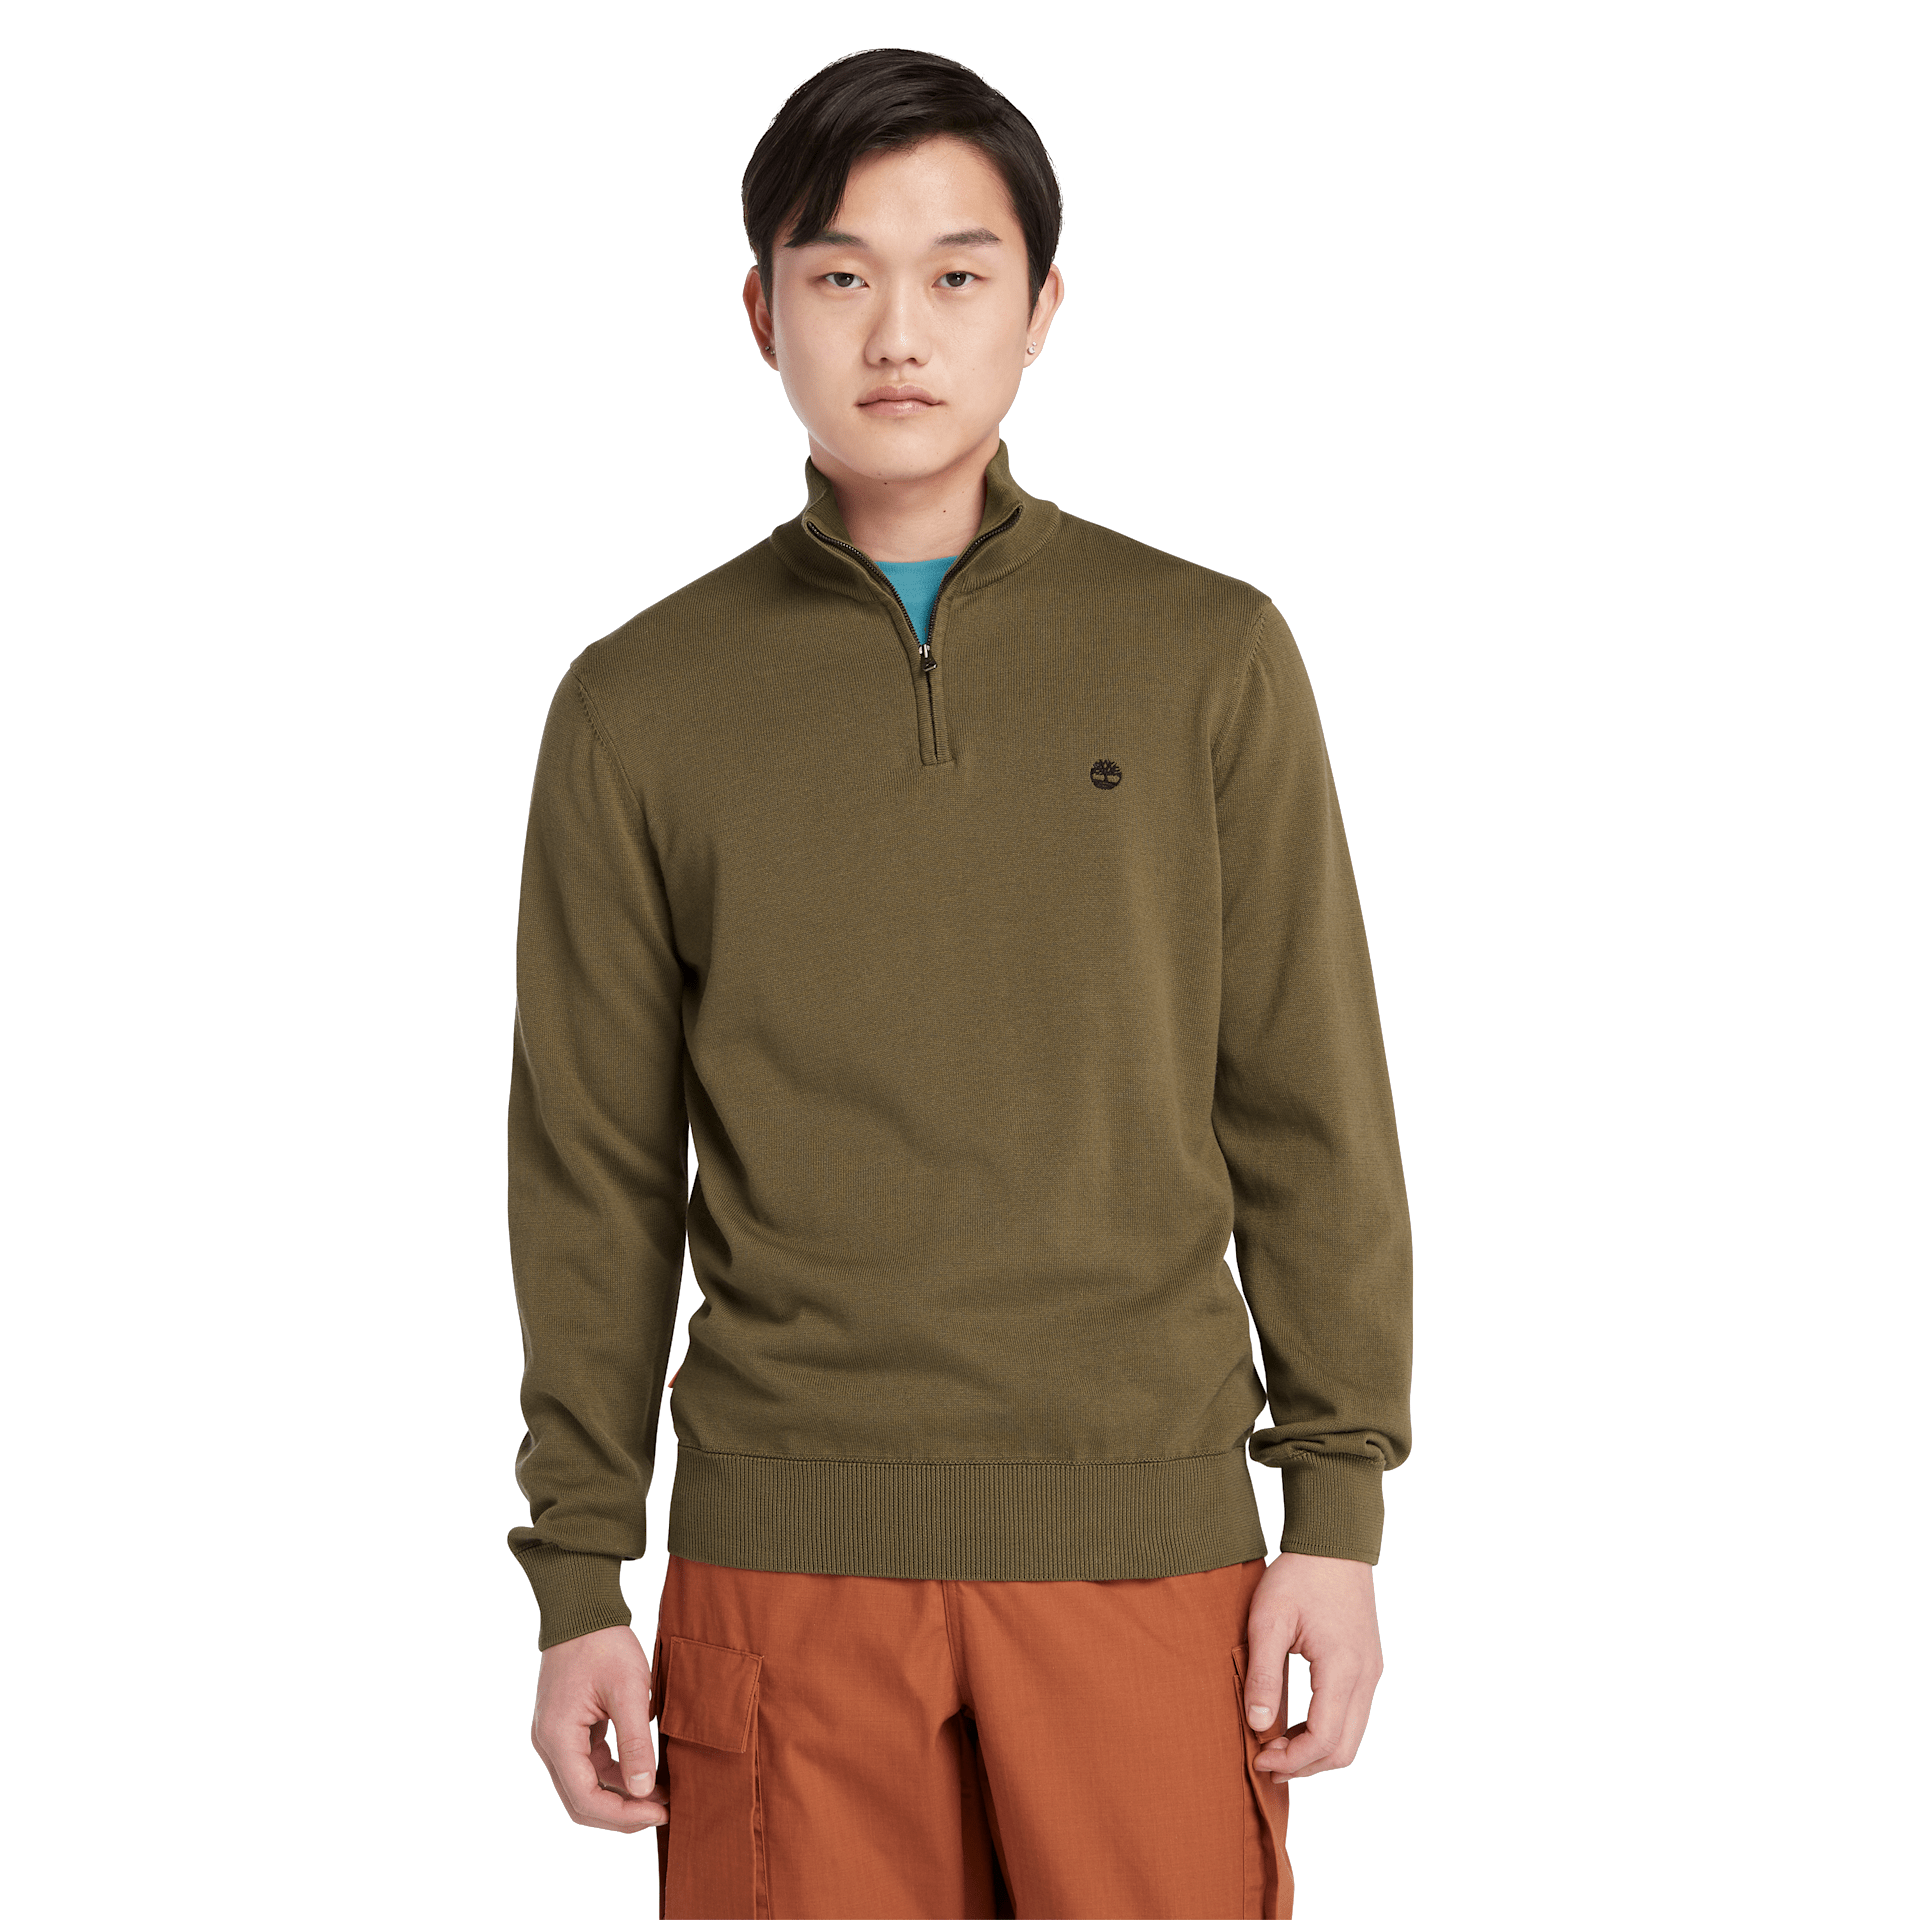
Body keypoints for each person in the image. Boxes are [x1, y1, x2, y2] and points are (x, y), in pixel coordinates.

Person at [506, 46, 1413, 1919]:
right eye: (840, 273)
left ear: (1042, 310)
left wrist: (1336, 1513)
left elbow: (1308, 1104)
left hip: (1150, 1554)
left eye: (957, 272)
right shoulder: (638, 699)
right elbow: (593, 1170)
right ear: (760, 310)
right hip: (784, 1572)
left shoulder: (1210, 651)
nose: (897, 331)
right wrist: (580, 1577)